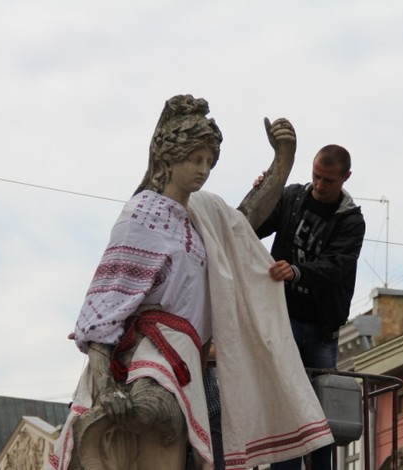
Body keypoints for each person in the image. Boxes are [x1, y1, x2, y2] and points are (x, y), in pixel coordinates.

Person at [50, 94, 336, 470]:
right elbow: (107, 303)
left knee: (194, 439)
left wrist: (282, 162)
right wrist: (105, 390)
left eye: (208, 162)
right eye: (194, 160)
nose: (203, 170)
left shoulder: (203, 215)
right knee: (156, 412)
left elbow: (245, 219)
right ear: (169, 159)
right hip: (148, 354)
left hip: (191, 360)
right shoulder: (142, 213)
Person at [256, 145, 366, 470]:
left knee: (319, 413)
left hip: (321, 329)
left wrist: (297, 271)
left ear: (345, 178)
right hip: (285, 318)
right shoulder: (291, 198)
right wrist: (261, 193)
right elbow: (252, 225)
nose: (319, 185)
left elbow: (336, 266)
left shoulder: (351, 222)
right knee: (287, 402)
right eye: (316, 176)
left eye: (328, 180)